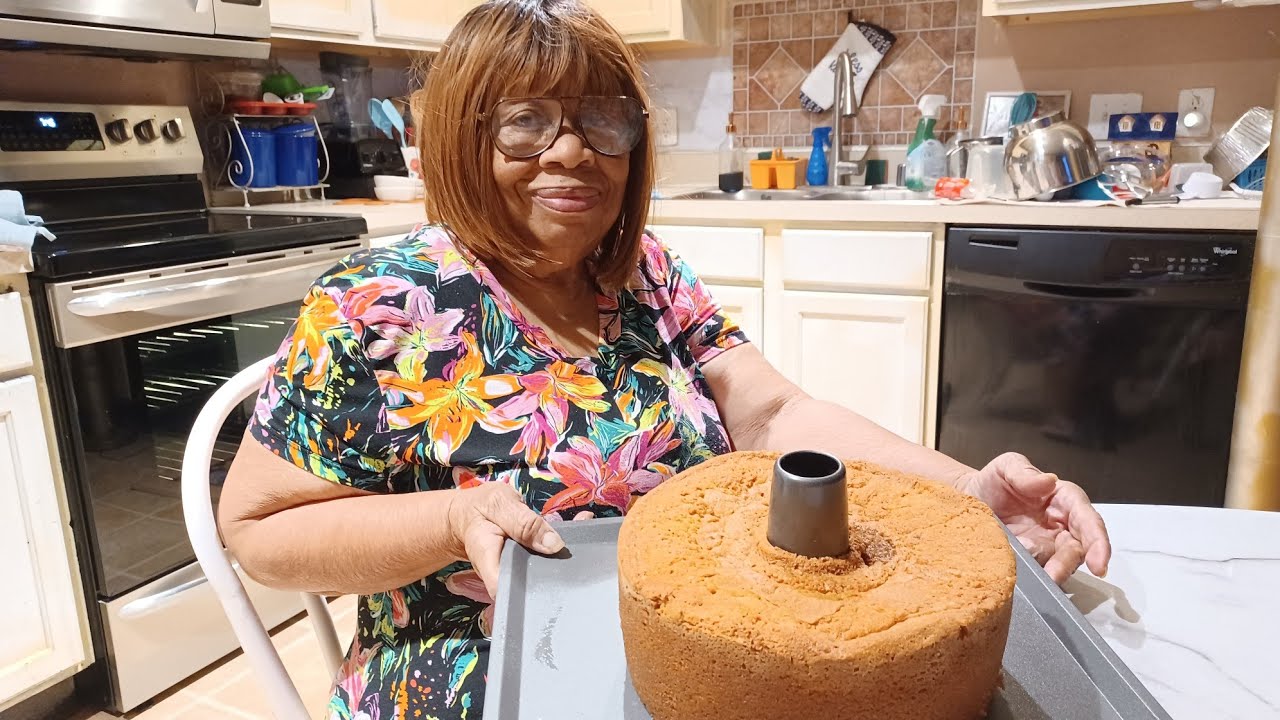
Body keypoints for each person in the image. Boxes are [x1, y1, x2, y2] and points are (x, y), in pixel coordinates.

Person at [219, 1, 1111, 717]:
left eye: (602, 122)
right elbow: (259, 530)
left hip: (699, 657)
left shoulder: (640, 271)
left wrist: (963, 490)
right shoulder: (379, 302)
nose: (572, 152)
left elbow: (775, 414)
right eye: (525, 123)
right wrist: (449, 524)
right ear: (461, 138)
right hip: (480, 674)